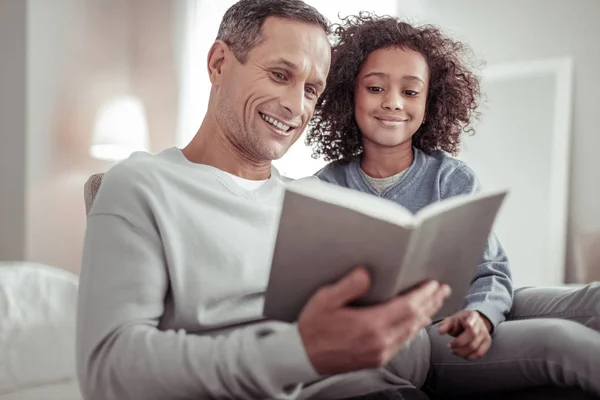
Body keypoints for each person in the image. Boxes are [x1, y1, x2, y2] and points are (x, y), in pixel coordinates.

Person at [76, 1, 451, 399]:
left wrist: (397, 321)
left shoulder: (320, 199)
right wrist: (302, 352)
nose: (296, 106)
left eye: (311, 89)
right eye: (279, 75)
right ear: (219, 63)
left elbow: (406, 367)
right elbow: (108, 370)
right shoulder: (142, 185)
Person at [309, 13, 600, 397]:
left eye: (411, 92)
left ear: (430, 103)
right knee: (558, 340)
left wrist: (482, 313)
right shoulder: (325, 189)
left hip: (478, 307)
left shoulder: (451, 176)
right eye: (376, 88)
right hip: (430, 338)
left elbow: (491, 270)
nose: (393, 103)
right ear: (350, 93)